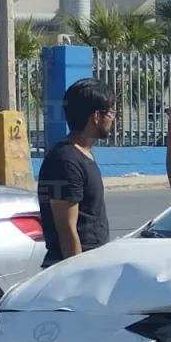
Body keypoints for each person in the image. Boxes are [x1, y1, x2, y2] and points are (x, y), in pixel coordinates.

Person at [37, 79, 115, 269]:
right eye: (111, 113)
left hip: (93, 262)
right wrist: (79, 276)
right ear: (96, 116)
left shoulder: (82, 154)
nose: (113, 119)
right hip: (75, 269)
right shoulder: (66, 161)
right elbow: (66, 229)